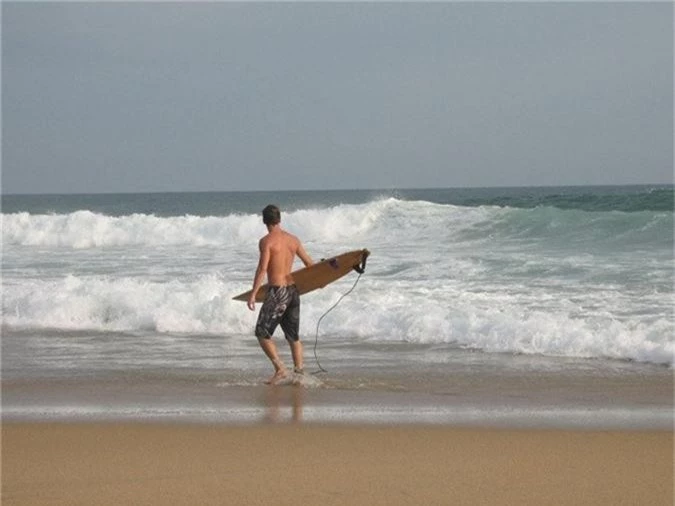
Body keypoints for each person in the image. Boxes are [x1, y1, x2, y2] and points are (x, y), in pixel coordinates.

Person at [248, 205, 313, 384]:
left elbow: (262, 269)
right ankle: (299, 374)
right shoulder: (294, 240)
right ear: (279, 219)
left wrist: (254, 293)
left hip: (278, 292)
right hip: (293, 291)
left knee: (261, 332)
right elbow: (310, 264)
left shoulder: (266, 241)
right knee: (293, 336)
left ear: (265, 221)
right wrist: (321, 281)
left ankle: (280, 369)